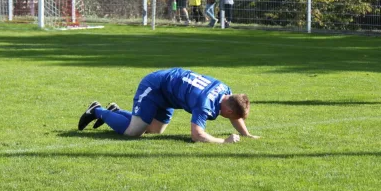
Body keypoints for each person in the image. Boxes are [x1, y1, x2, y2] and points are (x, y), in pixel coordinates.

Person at [78, 68, 260, 144]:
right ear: (227, 110)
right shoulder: (205, 103)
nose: (233, 120)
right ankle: (97, 110)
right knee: (132, 133)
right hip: (155, 87)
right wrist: (224, 141)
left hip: (169, 92)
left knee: (154, 130)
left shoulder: (224, 89)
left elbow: (235, 112)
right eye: (233, 117)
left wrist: (246, 134)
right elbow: (197, 135)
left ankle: (116, 112)